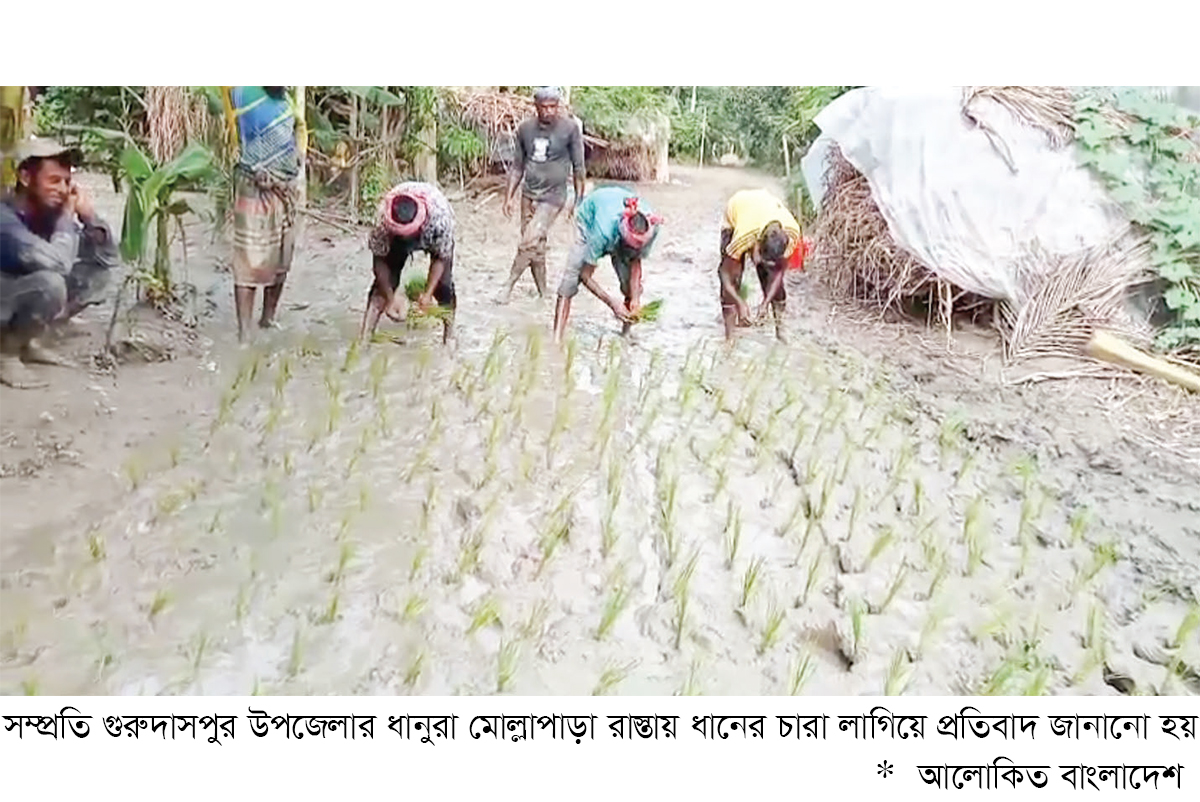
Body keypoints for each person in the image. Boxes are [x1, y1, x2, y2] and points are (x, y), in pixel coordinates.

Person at [0, 138, 118, 389]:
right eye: (54, 181)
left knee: (97, 276)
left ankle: (28, 341)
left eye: (67, 182)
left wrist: (88, 217)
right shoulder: (4, 218)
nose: (63, 190)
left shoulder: (47, 214)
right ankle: (6, 354)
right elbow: (57, 266)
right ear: (25, 177)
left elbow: (107, 258)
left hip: (14, 292)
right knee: (51, 284)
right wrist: (67, 218)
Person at [501, 86, 585, 302]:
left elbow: (579, 167)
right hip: (529, 193)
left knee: (528, 241)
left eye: (553, 107)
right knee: (535, 247)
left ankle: (507, 287)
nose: (548, 111)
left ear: (558, 106)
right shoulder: (525, 129)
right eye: (544, 107)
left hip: (554, 196)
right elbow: (518, 166)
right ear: (536, 106)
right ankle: (542, 293)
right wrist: (509, 197)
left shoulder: (570, 128)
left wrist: (578, 200)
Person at [230, 86, 300, 342]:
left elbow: (297, 134)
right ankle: (244, 332)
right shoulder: (242, 93)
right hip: (253, 187)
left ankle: (268, 318)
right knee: (248, 258)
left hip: (286, 191)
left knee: (283, 257)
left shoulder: (289, 102)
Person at [553, 185, 662, 343]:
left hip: (615, 210)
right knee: (570, 280)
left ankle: (625, 335)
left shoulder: (652, 228)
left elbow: (635, 262)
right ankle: (556, 340)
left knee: (631, 288)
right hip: (588, 220)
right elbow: (585, 275)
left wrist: (636, 299)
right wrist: (611, 303)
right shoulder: (602, 232)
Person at [360, 181, 457, 345]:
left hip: (432, 229)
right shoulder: (382, 220)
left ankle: (450, 335)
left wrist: (427, 295)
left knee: (444, 286)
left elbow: (441, 258)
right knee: (382, 286)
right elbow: (379, 261)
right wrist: (391, 298)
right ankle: (365, 338)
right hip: (393, 237)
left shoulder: (440, 219)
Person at [717, 188, 803, 343]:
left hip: (765, 205)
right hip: (739, 206)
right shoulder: (744, 236)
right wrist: (739, 302)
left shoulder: (792, 233)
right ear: (756, 244)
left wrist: (765, 303)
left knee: (770, 274)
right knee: (733, 277)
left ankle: (781, 332)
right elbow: (723, 273)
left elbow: (778, 273)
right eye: (759, 257)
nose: (756, 263)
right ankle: (729, 338)